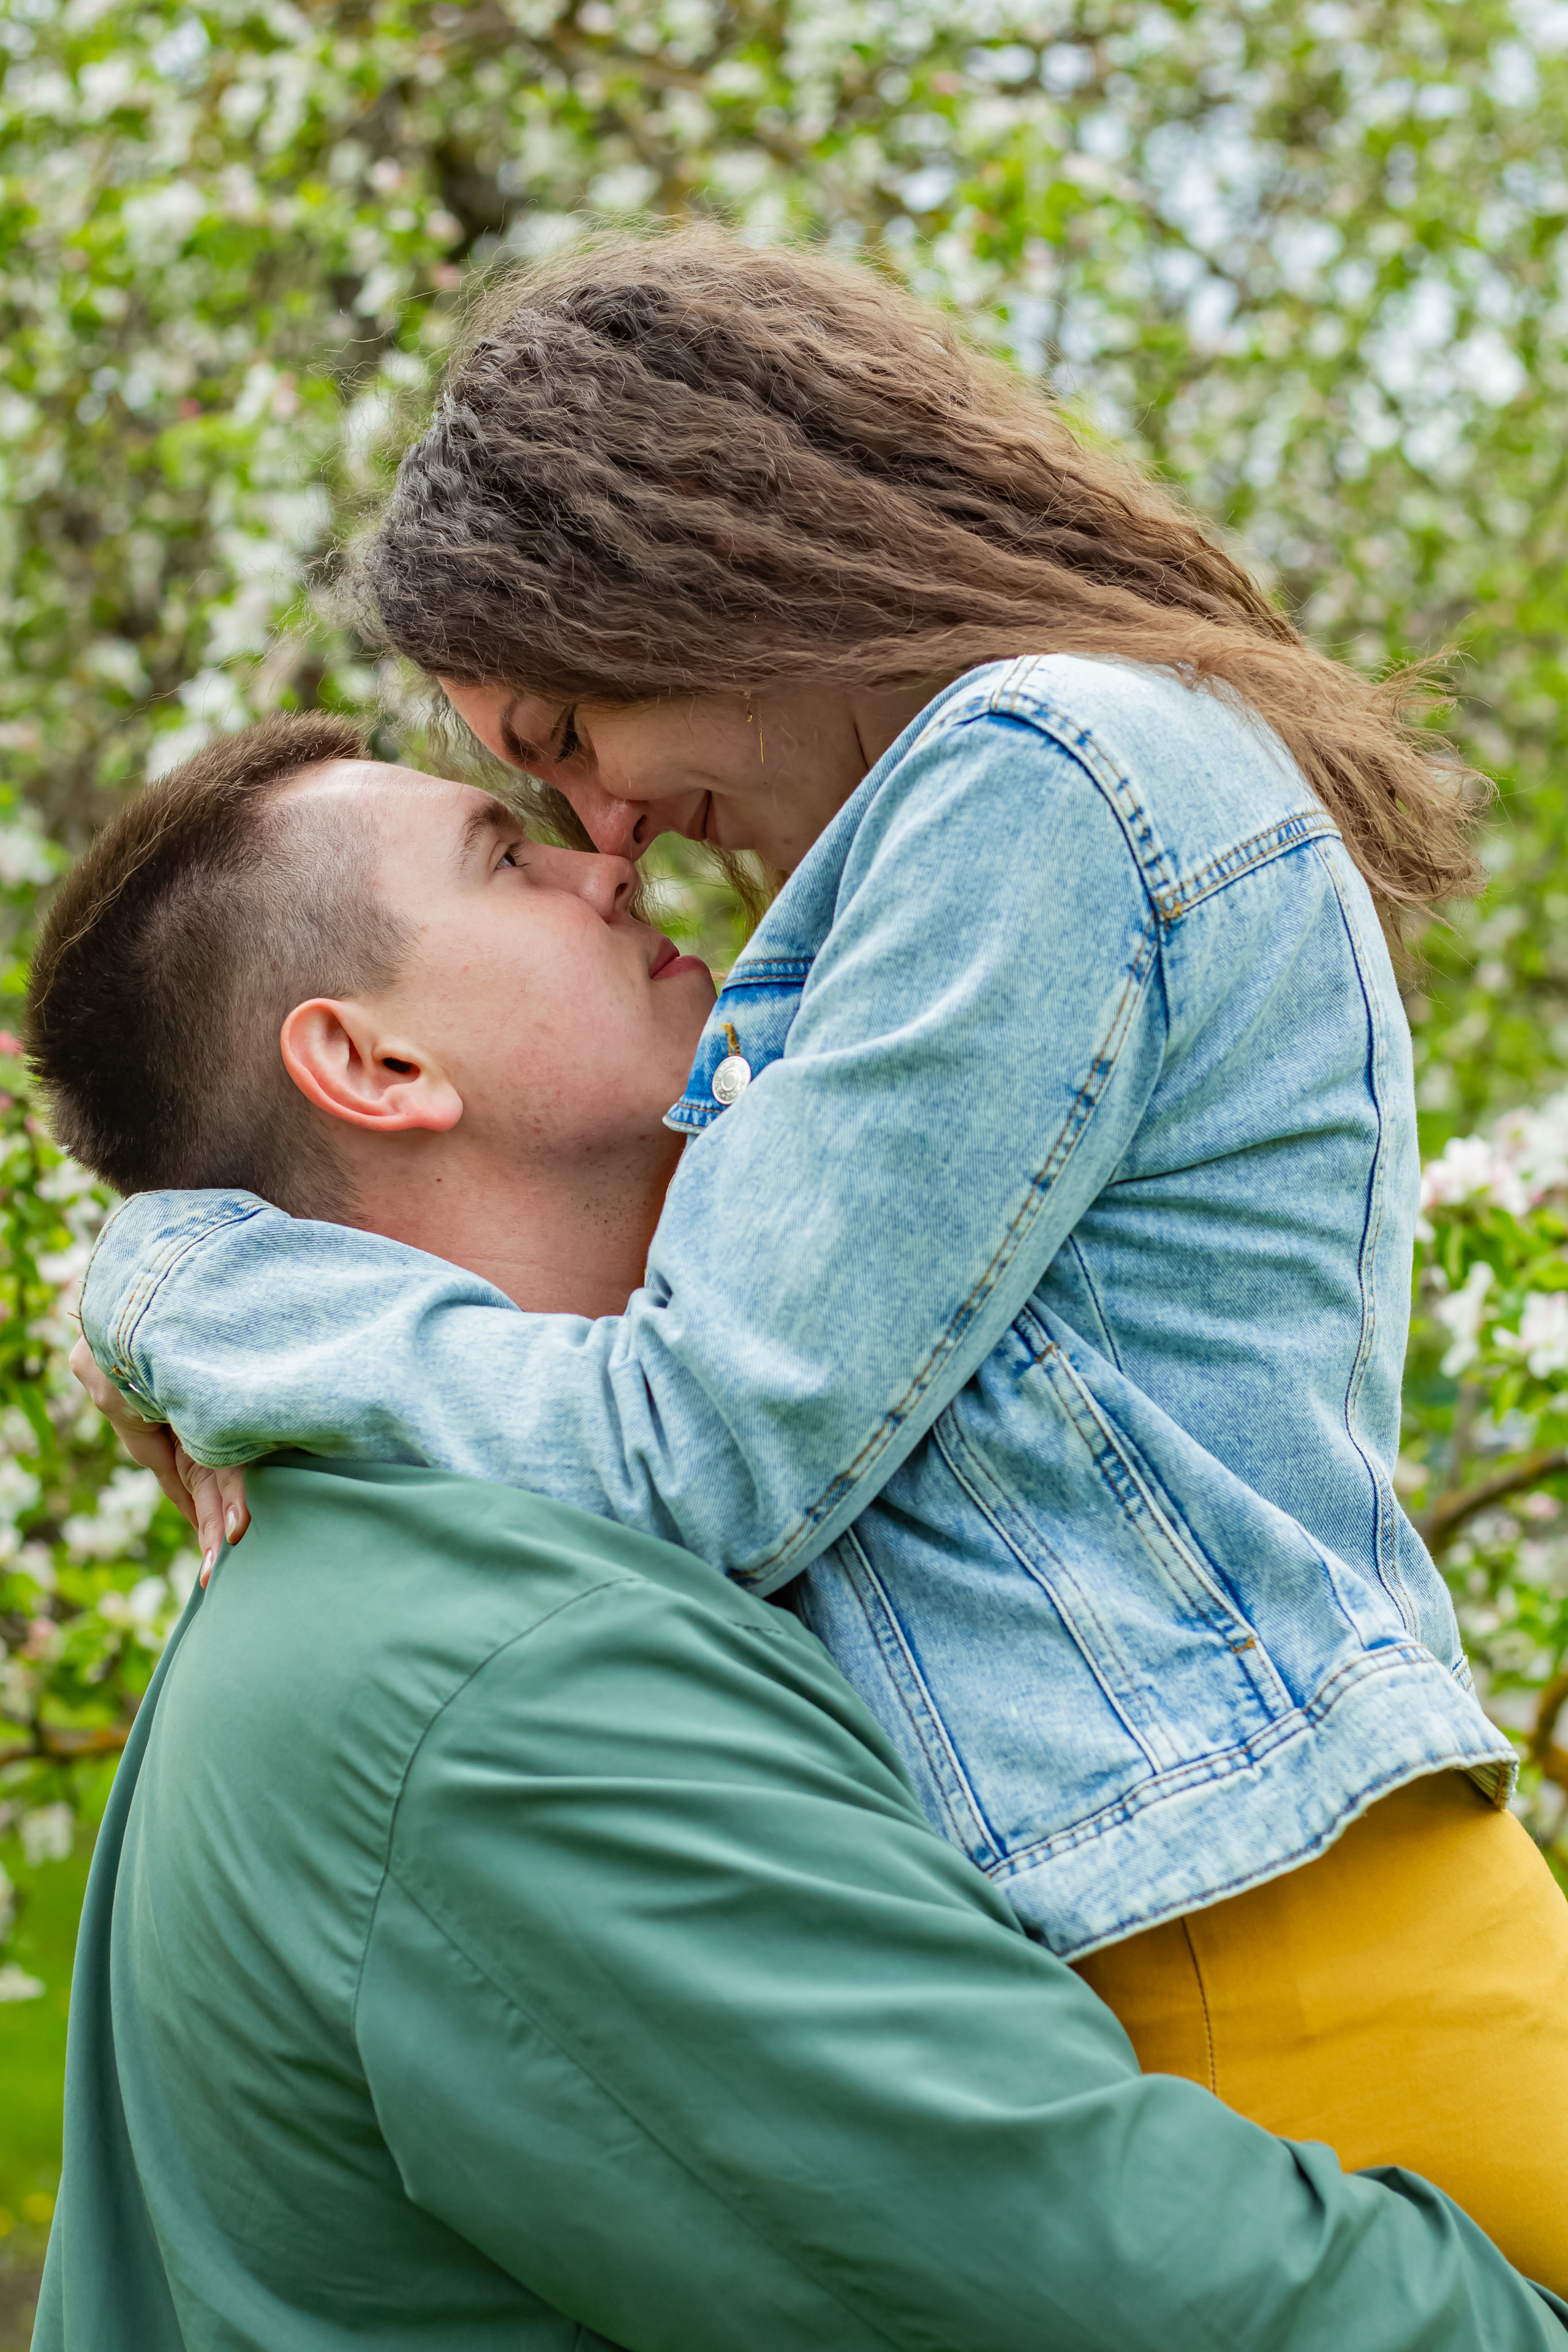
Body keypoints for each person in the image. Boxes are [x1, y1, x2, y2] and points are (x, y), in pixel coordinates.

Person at [67, 232, 1568, 2286]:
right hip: (1223, 1955)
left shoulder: (1036, 779)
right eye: (534, 801)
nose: (612, 829)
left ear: (682, 565)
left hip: (1275, 1982)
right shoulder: (994, 821)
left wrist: (202, 1288)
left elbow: (700, 1447)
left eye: (568, 734)